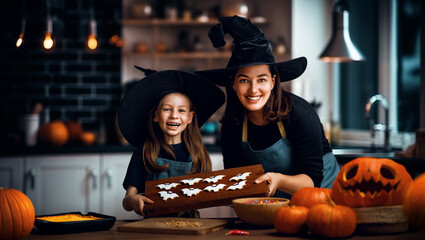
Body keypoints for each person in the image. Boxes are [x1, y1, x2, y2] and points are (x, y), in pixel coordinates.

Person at [196, 15, 340, 198]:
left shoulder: (300, 114)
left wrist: (279, 180)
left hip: (321, 202)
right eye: (244, 80)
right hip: (272, 209)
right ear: (233, 83)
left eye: (261, 79)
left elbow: (312, 181)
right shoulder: (233, 125)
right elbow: (236, 182)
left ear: (273, 81)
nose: (253, 89)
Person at [118, 68, 225, 216]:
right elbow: (127, 200)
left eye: (181, 110)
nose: (174, 116)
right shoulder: (144, 152)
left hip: (190, 226)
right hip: (153, 228)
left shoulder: (196, 154)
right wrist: (133, 200)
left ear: (190, 117)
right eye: (167, 109)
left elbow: (207, 193)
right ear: (156, 115)